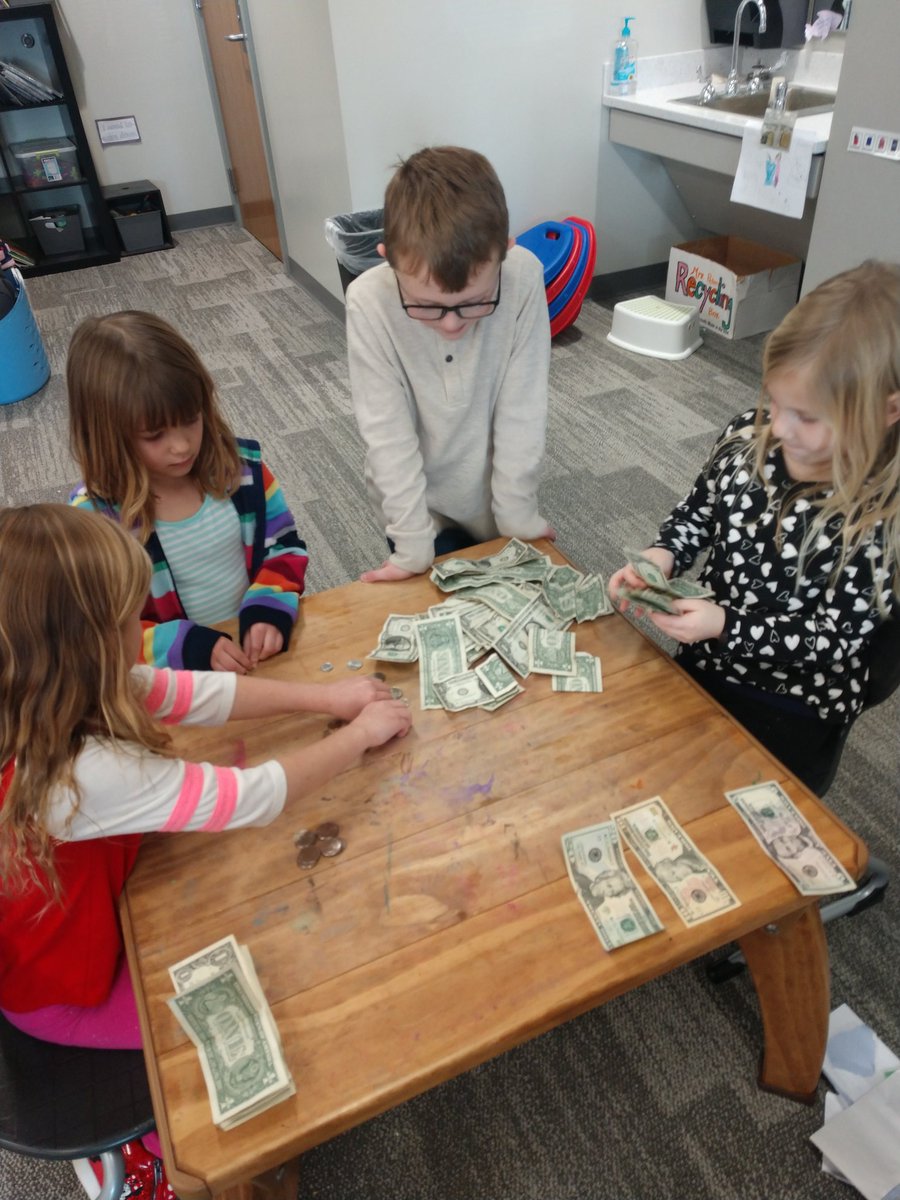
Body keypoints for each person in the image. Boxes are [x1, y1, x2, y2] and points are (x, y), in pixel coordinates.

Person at [0, 504, 411, 1199]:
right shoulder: (81, 772)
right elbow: (249, 798)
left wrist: (327, 696)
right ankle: (152, 1154)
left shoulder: (61, 691)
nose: (143, 632)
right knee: (252, 1026)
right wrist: (357, 736)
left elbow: (196, 693)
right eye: (130, 620)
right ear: (86, 643)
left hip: (95, 915)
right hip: (62, 988)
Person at [610, 260, 900, 795]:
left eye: (807, 417)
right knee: (678, 782)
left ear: (886, 412)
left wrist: (728, 625)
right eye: (775, 400)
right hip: (703, 660)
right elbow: (698, 510)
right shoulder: (750, 434)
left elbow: (834, 643)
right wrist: (664, 554)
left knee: (761, 817)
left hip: (792, 708)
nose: (780, 428)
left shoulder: (882, 523)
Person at [345, 145, 554, 583]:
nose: (453, 324)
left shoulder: (524, 277)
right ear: (389, 257)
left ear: (505, 251)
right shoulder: (369, 301)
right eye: (427, 306)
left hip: (494, 502)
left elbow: (523, 408)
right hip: (417, 508)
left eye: (476, 302)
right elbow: (387, 434)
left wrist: (516, 513)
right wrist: (411, 544)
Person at [68, 310, 308, 674]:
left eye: (191, 420)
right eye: (155, 435)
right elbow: (97, 630)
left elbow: (284, 547)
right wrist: (185, 646)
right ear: (108, 436)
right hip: (169, 684)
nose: (181, 447)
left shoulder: (241, 469)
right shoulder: (94, 520)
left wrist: (268, 608)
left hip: (254, 661)